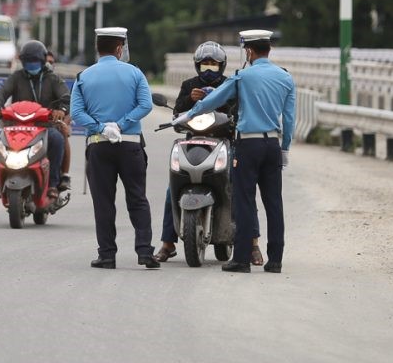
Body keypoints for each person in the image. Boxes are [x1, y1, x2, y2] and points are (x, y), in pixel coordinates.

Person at [174, 30, 295, 273]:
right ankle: (275, 260)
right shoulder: (285, 77)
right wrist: (284, 148)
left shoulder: (242, 77)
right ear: (269, 49)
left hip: (248, 145)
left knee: (245, 201)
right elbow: (290, 119)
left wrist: (188, 115)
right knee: (274, 203)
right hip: (272, 144)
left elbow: (212, 101)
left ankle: (241, 259)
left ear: (248, 51)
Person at [153, 41, 264, 265]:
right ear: (197, 66)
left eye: (213, 64)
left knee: (242, 188)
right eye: (205, 65)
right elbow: (177, 114)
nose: (209, 69)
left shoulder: (231, 84)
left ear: (221, 66)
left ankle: (253, 244)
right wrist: (190, 99)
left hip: (224, 142)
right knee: (171, 190)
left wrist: (221, 100)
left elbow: (239, 112)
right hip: (193, 142)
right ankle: (167, 244)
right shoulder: (189, 85)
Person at [71, 27, 158, 269]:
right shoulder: (135, 73)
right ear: (120, 48)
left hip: (99, 146)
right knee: (137, 198)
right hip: (130, 145)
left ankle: (107, 255)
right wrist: (121, 125)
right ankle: (144, 252)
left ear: (97, 48)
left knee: (103, 203)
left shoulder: (83, 76)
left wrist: (101, 127)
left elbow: (76, 112)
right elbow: (146, 105)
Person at [0, 40, 70, 197]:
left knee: (57, 139)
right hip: (17, 127)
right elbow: (2, 92)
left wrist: (61, 110)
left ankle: (53, 183)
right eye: (28, 62)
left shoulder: (53, 79)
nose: (31, 65)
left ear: (43, 61)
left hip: (45, 127)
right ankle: (1, 180)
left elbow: (65, 96)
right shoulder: (16, 77)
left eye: (35, 62)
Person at [45, 50, 72, 191]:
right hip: (32, 124)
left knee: (61, 134)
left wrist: (64, 122)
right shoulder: (26, 81)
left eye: (51, 62)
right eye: (45, 61)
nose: (48, 64)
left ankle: (63, 175)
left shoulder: (57, 82)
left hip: (54, 123)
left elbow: (69, 104)